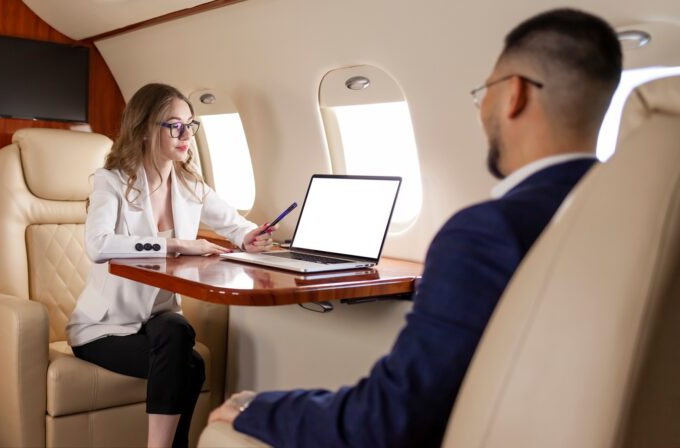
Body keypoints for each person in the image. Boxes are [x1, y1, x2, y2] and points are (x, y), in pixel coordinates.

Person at [209, 8, 623, 447]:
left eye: (484, 91)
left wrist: (258, 407)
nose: (481, 108)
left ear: (514, 94)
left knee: (223, 430)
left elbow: (389, 420)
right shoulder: (624, 215)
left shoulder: (485, 233)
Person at [66, 83, 276, 448]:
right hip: (104, 328)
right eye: (174, 126)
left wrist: (250, 236)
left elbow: (234, 223)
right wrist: (175, 244)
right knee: (191, 365)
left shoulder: (190, 185)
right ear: (146, 129)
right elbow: (97, 245)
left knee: (177, 329)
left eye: (190, 126)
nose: (186, 136)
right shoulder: (111, 182)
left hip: (157, 320)